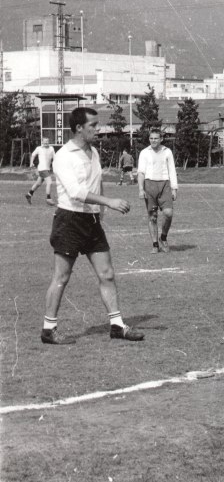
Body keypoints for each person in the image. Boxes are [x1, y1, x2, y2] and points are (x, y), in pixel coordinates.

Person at [41, 107, 143, 345]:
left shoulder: (94, 151)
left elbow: (97, 184)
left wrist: (102, 210)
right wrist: (109, 202)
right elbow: (76, 192)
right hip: (69, 220)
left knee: (106, 273)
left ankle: (117, 326)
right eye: (93, 125)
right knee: (62, 276)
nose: (98, 129)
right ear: (79, 128)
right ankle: (48, 329)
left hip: (92, 220)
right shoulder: (65, 155)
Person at [137, 129, 178, 254]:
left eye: (156, 138)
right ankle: (155, 244)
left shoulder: (167, 152)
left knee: (168, 213)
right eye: (151, 138)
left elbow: (172, 170)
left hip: (165, 184)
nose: (153, 140)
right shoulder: (144, 153)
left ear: (161, 139)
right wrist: (140, 189)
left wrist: (174, 188)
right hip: (149, 185)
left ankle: (163, 238)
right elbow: (141, 172)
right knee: (152, 217)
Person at [26, 137, 57, 206]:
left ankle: (29, 194)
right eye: (44, 142)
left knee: (38, 183)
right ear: (42, 142)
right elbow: (33, 155)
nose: (46, 143)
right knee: (49, 182)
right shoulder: (39, 148)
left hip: (47, 169)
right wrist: (31, 163)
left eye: (47, 142)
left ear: (49, 142)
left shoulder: (51, 148)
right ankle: (48, 198)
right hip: (42, 169)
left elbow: (55, 158)